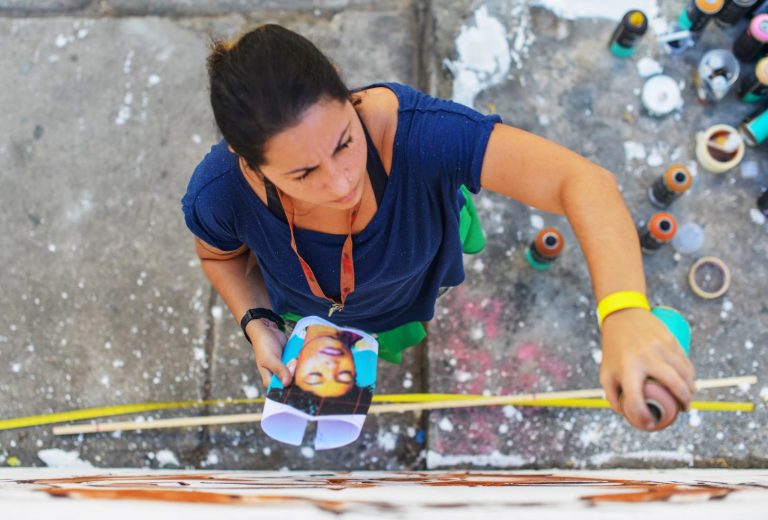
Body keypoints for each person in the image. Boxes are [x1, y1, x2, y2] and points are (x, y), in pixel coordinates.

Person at [182, 24, 696, 432]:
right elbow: (221, 256)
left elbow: (580, 182)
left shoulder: (422, 135)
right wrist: (258, 321)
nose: (341, 183)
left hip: (407, 290)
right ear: (249, 167)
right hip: (309, 311)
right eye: (302, 174)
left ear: (345, 89)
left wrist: (625, 312)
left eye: (343, 142)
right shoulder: (220, 192)